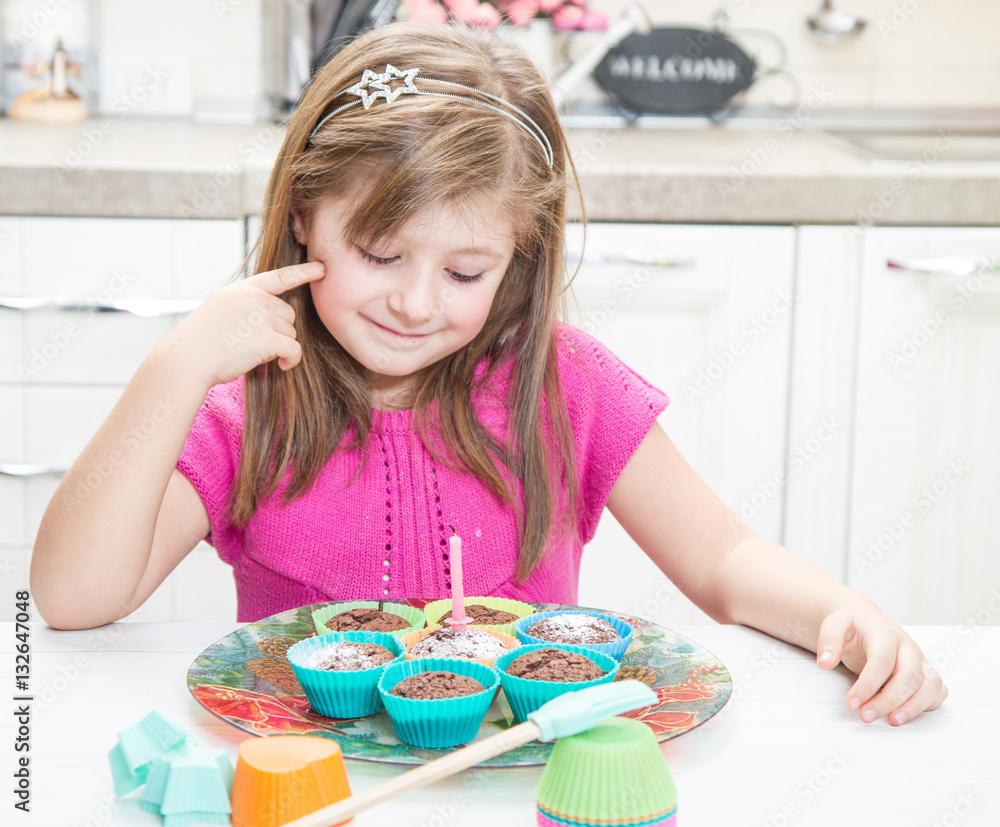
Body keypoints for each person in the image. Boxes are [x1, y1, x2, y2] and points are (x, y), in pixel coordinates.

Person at [30, 22, 945, 727]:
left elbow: (722, 559)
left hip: (528, 780)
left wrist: (841, 606)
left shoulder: (566, 385)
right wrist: (174, 366)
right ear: (305, 213)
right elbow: (74, 598)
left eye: (465, 272)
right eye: (382, 253)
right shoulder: (252, 405)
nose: (417, 302)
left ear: (518, 256)